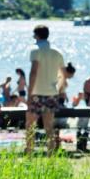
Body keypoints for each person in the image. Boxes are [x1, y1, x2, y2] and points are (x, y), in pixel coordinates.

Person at [25, 25, 65, 154]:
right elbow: (63, 75)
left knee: (30, 125)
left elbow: (33, 72)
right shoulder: (57, 52)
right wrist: (59, 89)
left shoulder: (35, 50)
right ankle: (51, 155)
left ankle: (29, 153)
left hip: (36, 92)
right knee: (49, 127)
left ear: (37, 36)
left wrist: (29, 93)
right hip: (51, 92)